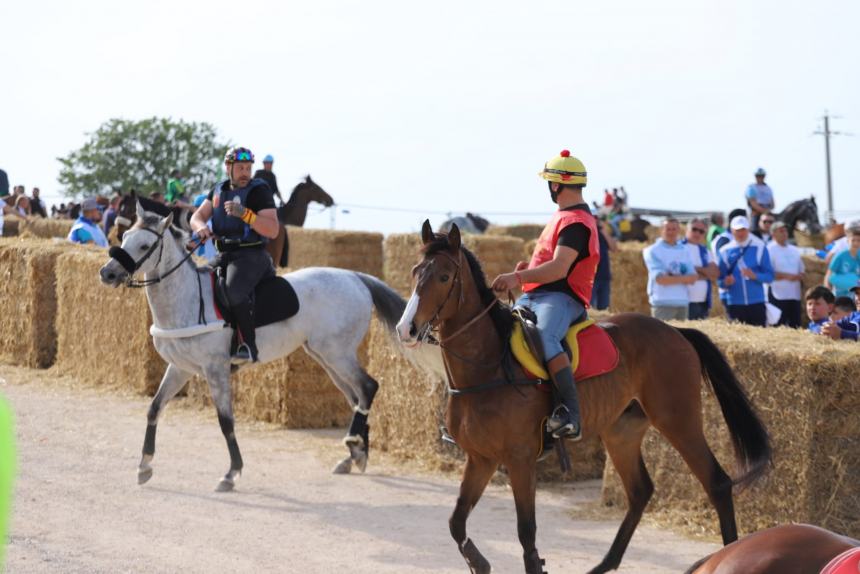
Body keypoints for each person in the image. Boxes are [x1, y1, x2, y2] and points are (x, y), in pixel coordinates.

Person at [491, 149, 599, 442]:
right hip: (540, 295)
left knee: (544, 335)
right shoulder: (564, 216)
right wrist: (529, 270)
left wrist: (517, 277)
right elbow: (550, 264)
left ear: (554, 185)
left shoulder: (576, 221)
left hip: (564, 299)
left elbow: (560, 269)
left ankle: (569, 414)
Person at [190, 146, 280, 364]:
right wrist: (200, 227)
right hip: (225, 253)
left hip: (252, 255)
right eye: (240, 167)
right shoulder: (218, 190)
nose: (245, 173)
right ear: (228, 167)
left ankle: (247, 345)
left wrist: (247, 215)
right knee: (198, 282)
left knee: (233, 292)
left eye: (248, 168)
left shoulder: (260, 191)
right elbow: (197, 216)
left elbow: (273, 230)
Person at [717, 215, 774, 326]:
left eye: (743, 229)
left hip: (757, 303)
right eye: (737, 230)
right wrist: (725, 282)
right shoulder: (724, 251)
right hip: (734, 304)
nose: (740, 233)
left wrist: (755, 276)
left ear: (748, 229)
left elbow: (770, 276)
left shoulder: (760, 247)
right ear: (732, 230)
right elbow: (719, 281)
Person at [643, 218, 698, 320]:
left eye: (674, 229)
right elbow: (660, 279)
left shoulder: (685, 250)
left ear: (678, 230)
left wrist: (671, 277)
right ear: (661, 230)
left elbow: (694, 278)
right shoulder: (652, 251)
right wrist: (684, 278)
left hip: (682, 302)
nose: (671, 232)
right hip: (662, 302)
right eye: (668, 229)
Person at [766, 221, 805, 328]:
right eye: (781, 231)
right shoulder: (769, 249)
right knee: (778, 326)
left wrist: (800, 276)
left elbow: (802, 269)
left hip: (794, 295)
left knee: (795, 325)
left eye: (785, 230)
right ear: (773, 234)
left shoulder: (794, 250)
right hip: (778, 294)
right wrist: (788, 277)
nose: (784, 233)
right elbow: (768, 273)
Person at [681, 218, 718, 320]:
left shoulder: (706, 251)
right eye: (694, 229)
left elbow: (715, 274)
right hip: (683, 302)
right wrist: (706, 273)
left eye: (701, 231)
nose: (697, 233)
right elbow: (679, 272)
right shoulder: (678, 248)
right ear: (686, 230)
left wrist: (694, 269)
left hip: (703, 303)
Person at [825, 225, 860, 297]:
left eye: (859, 240)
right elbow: (829, 273)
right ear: (848, 241)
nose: (856, 243)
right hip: (839, 295)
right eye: (853, 240)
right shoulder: (840, 256)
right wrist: (827, 291)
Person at [590, 218, 615, 310]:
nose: (596, 221)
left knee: (604, 310)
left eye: (598, 219)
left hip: (604, 276)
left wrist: (604, 231)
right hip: (591, 278)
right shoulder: (586, 233)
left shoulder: (603, 234)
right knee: (590, 309)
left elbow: (614, 248)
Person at [745, 167, 775, 233]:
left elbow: (772, 202)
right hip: (756, 213)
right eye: (758, 176)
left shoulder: (768, 188)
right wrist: (764, 211)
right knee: (754, 230)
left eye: (762, 176)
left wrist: (768, 211)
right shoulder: (751, 188)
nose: (760, 177)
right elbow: (753, 203)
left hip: (768, 212)